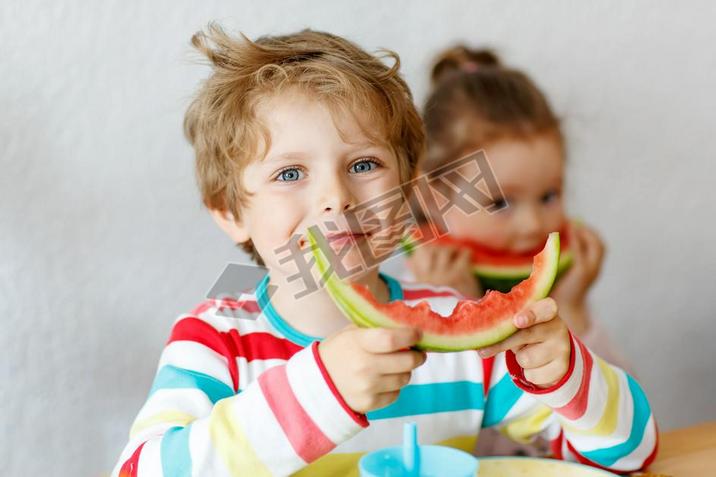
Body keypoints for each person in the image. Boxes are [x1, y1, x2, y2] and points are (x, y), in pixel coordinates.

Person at [112, 26, 657, 476]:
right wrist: (319, 393)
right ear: (230, 213)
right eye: (290, 173)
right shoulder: (215, 342)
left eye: (364, 165)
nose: (335, 198)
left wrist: (570, 374)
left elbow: (628, 454)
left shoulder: (456, 336)